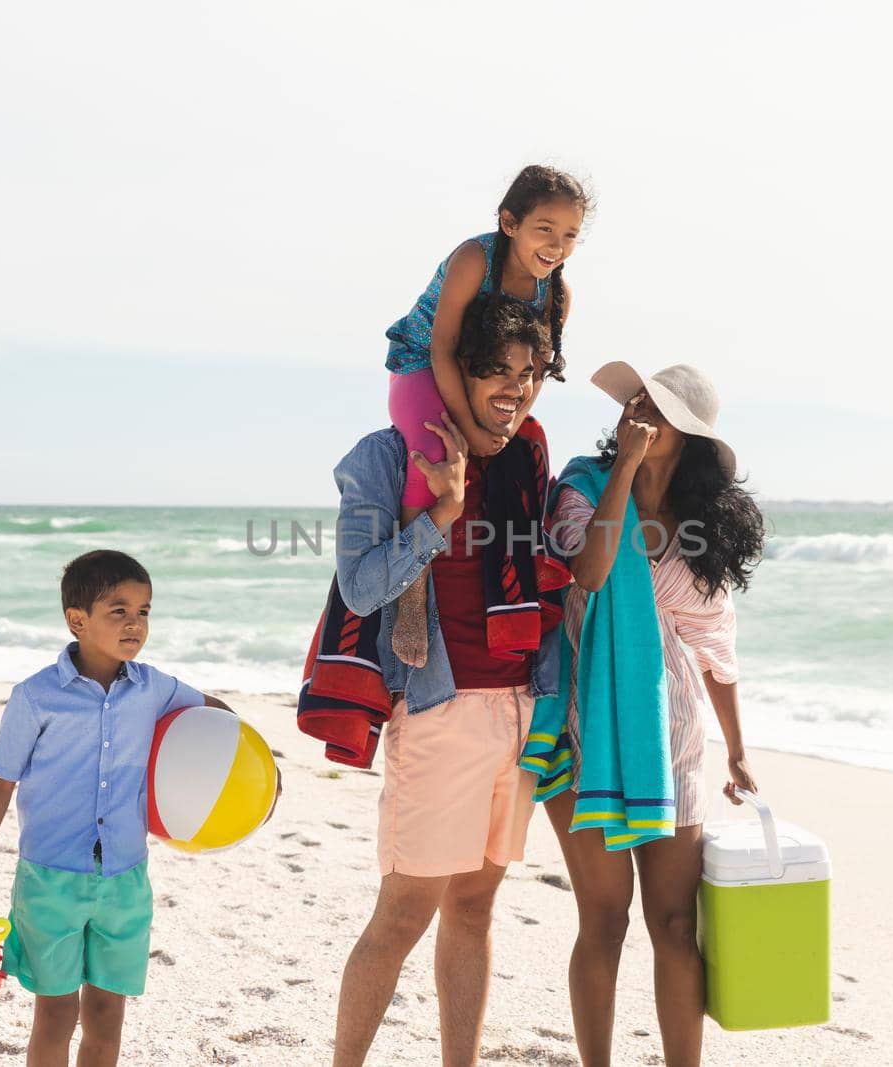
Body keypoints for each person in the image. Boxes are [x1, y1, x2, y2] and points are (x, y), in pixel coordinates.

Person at [325, 297, 566, 1067]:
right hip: (438, 709)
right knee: (402, 914)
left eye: (528, 374)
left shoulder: (529, 451)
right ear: (455, 368)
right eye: (496, 368)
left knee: (475, 904)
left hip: (522, 705)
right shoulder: (384, 456)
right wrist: (442, 510)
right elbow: (361, 589)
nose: (514, 387)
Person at [525, 363, 767, 1067]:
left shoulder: (700, 531)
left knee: (673, 924)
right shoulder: (584, 486)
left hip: (676, 743)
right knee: (603, 919)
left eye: (657, 409)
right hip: (582, 731)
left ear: (686, 436)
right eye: (637, 400)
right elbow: (591, 573)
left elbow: (715, 650)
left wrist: (738, 750)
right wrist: (625, 466)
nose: (639, 411)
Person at [0, 550, 232, 1067]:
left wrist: (259, 768)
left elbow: (214, 715)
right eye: (119, 610)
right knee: (56, 1015)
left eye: (145, 611)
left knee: (107, 1016)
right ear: (77, 620)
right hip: (49, 881)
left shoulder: (154, 688)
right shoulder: (37, 697)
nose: (135, 623)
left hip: (125, 882)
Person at [384, 164, 591, 671]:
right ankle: (413, 586)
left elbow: (538, 369)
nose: (557, 245)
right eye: (545, 229)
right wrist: (472, 431)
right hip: (422, 363)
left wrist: (509, 427)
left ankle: (529, 577)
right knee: (435, 449)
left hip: (498, 383)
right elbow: (443, 345)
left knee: (526, 450)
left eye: (570, 235)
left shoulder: (556, 294)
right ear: (509, 222)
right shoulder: (475, 259)